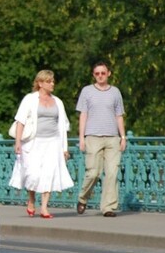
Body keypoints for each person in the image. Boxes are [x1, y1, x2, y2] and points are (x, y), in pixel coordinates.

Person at [9, 70, 74, 218]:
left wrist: (64, 148)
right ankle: (31, 200)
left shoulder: (58, 102)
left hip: (53, 143)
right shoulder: (30, 99)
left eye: (53, 81)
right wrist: (17, 142)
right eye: (49, 81)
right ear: (40, 83)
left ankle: (44, 208)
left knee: (48, 174)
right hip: (33, 142)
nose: (52, 84)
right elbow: (21, 121)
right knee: (32, 174)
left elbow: (63, 127)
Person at [76, 62, 126, 217]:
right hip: (93, 136)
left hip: (112, 137)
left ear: (108, 74)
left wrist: (123, 137)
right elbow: (83, 115)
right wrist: (81, 138)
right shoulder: (87, 91)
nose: (100, 76)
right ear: (93, 75)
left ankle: (108, 207)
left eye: (103, 73)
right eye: (97, 73)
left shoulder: (115, 92)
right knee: (93, 173)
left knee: (112, 173)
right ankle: (83, 198)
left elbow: (119, 116)